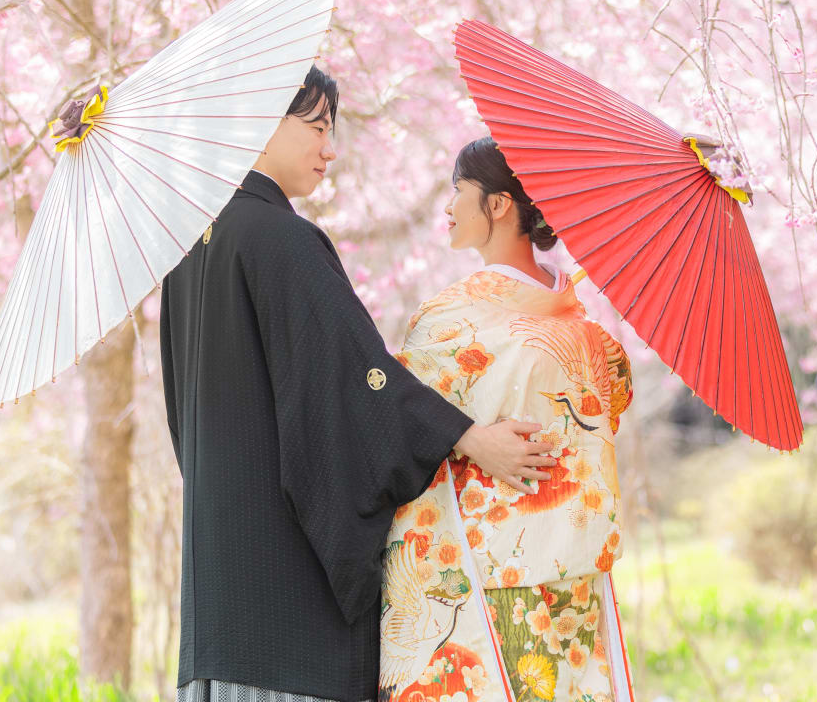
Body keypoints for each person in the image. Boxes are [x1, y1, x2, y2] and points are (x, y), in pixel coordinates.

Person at [160, 69, 557, 702]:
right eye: (316, 128)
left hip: (217, 595)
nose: (329, 149)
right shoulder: (281, 238)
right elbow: (353, 379)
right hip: (285, 604)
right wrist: (469, 437)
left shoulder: (185, 251)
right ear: (264, 120)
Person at [379, 137, 634, 702]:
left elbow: (398, 421)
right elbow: (614, 404)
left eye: (458, 190)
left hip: (488, 570)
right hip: (576, 568)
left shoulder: (449, 320)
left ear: (497, 204)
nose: (448, 206)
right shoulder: (589, 331)